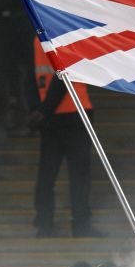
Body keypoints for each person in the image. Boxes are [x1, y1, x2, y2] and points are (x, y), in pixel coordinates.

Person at [28, 35, 105, 238]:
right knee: (79, 175)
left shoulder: (37, 39)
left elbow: (30, 76)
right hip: (75, 112)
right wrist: (43, 110)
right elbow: (63, 77)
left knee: (47, 174)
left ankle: (44, 226)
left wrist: (38, 110)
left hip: (51, 117)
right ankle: (81, 226)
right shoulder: (66, 35)